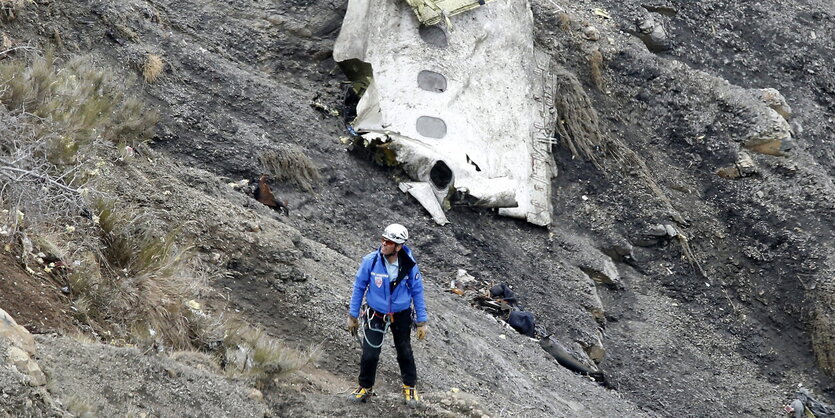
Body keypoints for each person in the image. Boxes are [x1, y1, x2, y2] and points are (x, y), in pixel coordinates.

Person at [346, 223, 428, 406]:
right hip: (376, 314)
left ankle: (410, 387)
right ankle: (365, 387)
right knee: (370, 354)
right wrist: (353, 316)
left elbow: (417, 291)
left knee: (404, 351)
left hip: (401, 314)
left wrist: (421, 321)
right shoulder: (371, 261)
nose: (383, 244)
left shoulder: (409, 265)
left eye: (388, 242)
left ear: (398, 247)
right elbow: (359, 287)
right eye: (382, 239)